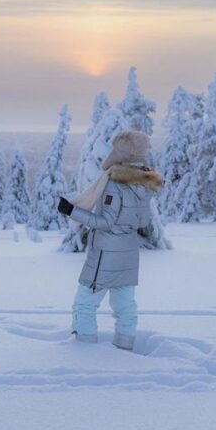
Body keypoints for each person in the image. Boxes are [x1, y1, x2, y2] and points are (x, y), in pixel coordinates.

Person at [57, 130, 163, 350]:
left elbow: (105, 222)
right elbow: (142, 220)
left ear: (122, 152)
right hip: (129, 252)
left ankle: (84, 351)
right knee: (124, 306)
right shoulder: (145, 184)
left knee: (84, 304)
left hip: (106, 253)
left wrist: (72, 211)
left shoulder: (115, 184)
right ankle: (124, 350)